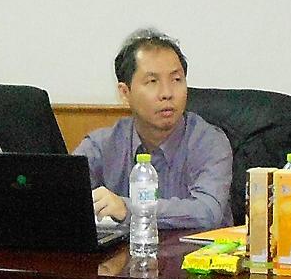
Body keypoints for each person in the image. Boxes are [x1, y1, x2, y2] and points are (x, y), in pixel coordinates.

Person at [74, 29, 233, 233]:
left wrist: (129, 209)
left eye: (176, 80)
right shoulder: (101, 146)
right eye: (152, 81)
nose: (167, 93)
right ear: (125, 92)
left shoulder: (209, 141)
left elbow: (207, 211)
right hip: (127, 253)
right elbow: (61, 195)